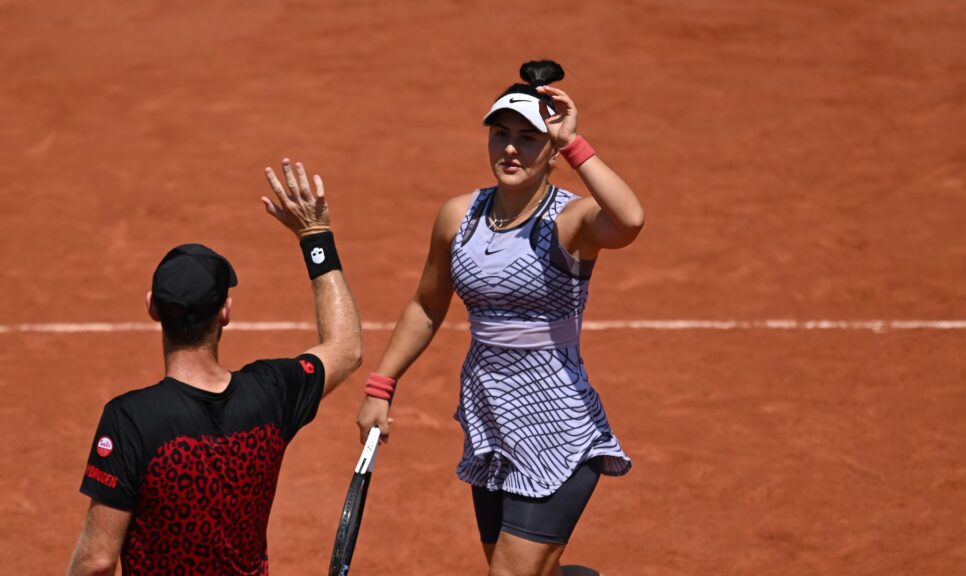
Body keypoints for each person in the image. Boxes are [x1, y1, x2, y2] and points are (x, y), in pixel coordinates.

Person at [356, 60, 645, 576]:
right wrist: (381, 385)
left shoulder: (570, 220)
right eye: (501, 134)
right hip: (490, 421)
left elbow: (629, 220)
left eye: (530, 138)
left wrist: (576, 144)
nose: (511, 148)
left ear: (552, 149)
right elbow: (426, 305)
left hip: (557, 427)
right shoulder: (458, 216)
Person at [67, 160, 362, 576]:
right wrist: (316, 237)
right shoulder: (271, 393)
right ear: (225, 311)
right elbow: (346, 348)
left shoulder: (130, 419)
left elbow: (96, 561)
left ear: (153, 308)